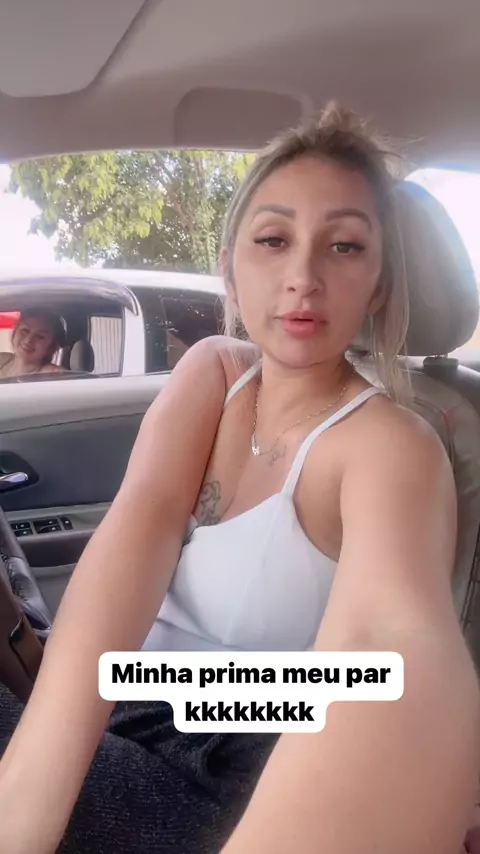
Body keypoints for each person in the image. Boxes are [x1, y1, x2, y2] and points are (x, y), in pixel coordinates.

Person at [0, 102, 479, 854]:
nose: (303, 278)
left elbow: (392, 650)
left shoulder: (393, 445)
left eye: (344, 246)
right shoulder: (215, 373)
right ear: (230, 266)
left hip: (239, 768)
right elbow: (130, 547)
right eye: (274, 240)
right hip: (135, 706)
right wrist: (27, 795)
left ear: (379, 285)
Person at [0, 308, 68, 379]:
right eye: (25, 330)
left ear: (51, 346)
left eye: (40, 336)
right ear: (15, 331)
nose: (28, 340)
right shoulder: (2, 359)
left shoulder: (56, 376)